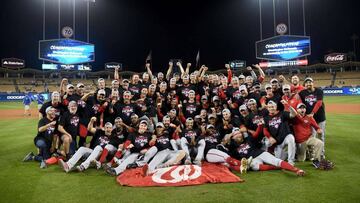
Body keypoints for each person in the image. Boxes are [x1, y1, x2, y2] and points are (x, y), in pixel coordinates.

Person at [207, 128, 305, 176]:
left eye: (239, 133)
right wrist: (229, 136)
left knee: (275, 160)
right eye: (236, 134)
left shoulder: (248, 139)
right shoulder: (232, 147)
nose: (238, 135)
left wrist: (259, 126)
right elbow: (224, 143)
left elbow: (257, 133)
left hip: (259, 153)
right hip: (251, 160)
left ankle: (296, 170)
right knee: (254, 167)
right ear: (233, 137)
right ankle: (277, 168)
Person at [263, 100, 297, 165]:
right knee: (279, 160)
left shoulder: (282, 113)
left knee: (291, 139)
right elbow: (265, 130)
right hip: (277, 141)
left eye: (272, 107)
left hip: (286, 136)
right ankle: (290, 152)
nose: (271, 108)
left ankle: (291, 161)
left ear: (276, 107)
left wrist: (288, 105)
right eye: (269, 107)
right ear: (267, 108)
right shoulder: (266, 118)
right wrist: (269, 137)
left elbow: (294, 114)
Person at [292, 103, 324, 167]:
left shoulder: (309, 117)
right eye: (300, 108)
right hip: (300, 141)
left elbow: (316, 127)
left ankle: (316, 160)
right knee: (301, 159)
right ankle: (306, 153)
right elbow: (292, 112)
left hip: (309, 138)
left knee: (320, 143)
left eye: (303, 108)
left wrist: (319, 130)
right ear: (297, 110)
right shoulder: (295, 117)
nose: (302, 109)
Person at [299, 77, 326, 146]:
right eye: (307, 83)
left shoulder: (319, 91)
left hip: (320, 117)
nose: (308, 84)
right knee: (312, 136)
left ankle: (322, 154)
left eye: (310, 82)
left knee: (321, 136)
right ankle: (313, 154)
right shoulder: (302, 93)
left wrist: (312, 113)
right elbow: (300, 103)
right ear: (304, 84)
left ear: (313, 83)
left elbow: (319, 103)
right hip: (309, 118)